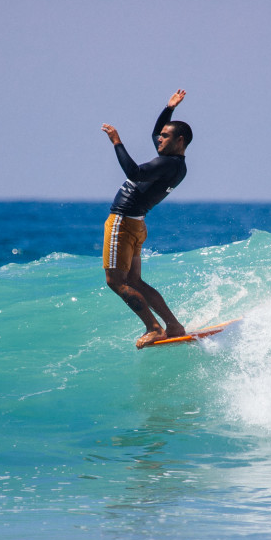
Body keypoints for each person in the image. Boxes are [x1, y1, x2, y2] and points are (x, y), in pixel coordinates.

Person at [100, 89, 192, 348]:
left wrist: (117, 142)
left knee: (115, 281)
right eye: (161, 135)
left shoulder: (167, 164)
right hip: (136, 224)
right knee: (134, 281)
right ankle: (173, 325)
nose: (159, 139)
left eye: (165, 136)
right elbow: (154, 133)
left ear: (180, 141)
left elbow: (134, 172)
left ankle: (154, 328)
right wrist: (169, 109)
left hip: (122, 222)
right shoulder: (175, 164)